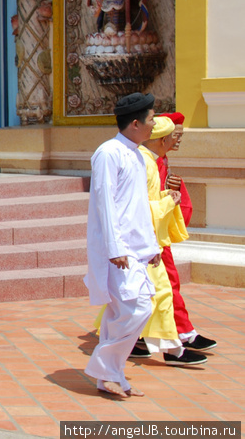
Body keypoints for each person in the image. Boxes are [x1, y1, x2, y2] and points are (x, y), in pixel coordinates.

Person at [83, 92, 161, 397]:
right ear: (135, 123)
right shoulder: (109, 153)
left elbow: (137, 205)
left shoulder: (138, 155)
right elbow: (105, 203)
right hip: (117, 251)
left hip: (135, 249)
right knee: (135, 307)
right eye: (152, 118)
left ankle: (110, 375)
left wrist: (151, 246)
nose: (155, 124)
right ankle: (105, 369)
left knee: (128, 309)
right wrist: (115, 249)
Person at [122, 117, 206, 366]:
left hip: (148, 240)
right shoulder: (145, 163)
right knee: (161, 294)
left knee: (143, 297)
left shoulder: (148, 159)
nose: (176, 139)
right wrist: (170, 200)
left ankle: (134, 343)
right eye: (173, 135)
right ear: (162, 139)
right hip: (147, 241)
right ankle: (171, 350)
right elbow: (141, 208)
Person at [154, 112, 217, 352]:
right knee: (168, 283)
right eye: (175, 135)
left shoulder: (162, 159)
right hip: (154, 232)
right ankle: (182, 333)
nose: (178, 140)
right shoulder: (151, 161)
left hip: (159, 229)